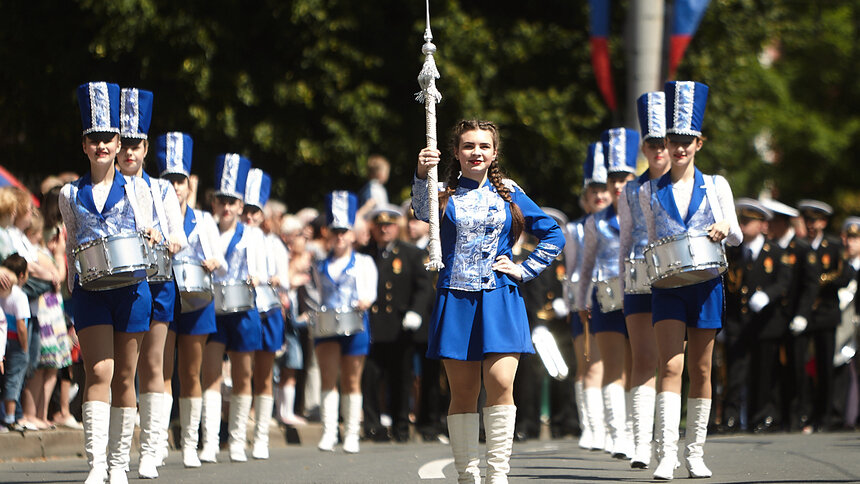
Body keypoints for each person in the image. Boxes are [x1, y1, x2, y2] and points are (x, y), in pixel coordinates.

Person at [414, 119, 565, 483]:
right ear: (455, 152)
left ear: (494, 153)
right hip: (457, 299)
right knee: (463, 393)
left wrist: (523, 269)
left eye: (484, 146)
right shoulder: (443, 194)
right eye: (468, 146)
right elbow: (421, 213)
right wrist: (421, 174)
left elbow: (553, 234)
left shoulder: (511, 193)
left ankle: (498, 475)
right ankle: (468, 475)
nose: (476, 152)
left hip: (501, 297)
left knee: (500, 384)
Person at [639, 81, 741, 480]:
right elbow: (649, 239)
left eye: (688, 140)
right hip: (667, 286)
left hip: (706, 283)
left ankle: (695, 451)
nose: (680, 147)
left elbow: (737, 234)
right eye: (674, 139)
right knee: (670, 367)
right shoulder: (649, 190)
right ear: (665, 141)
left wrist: (724, 227)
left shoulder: (716, 185)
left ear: (699, 142)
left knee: (701, 369)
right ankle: (666, 453)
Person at [59, 82, 159, 484]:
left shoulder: (139, 189)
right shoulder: (68, 194)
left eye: (108, 139)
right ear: (84, 145)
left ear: (120, 144)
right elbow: (69, 242)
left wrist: (153, 235)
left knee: (124, 375)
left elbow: (151, 228)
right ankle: (96, 464)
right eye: (94, 139)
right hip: (90, 292)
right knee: (97, 371)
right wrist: (70, 289)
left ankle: (119, 463)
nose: (101, 145)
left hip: (132, 289)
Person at [116, 87, 187, 479]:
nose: (129, 152)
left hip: (158, 280)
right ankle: (121, 448)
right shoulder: (109, 187)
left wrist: (172, 240)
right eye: (123, 143)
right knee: (122, 368)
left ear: (146, 148)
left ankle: (152, 446)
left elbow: (177, 234)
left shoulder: (161, 189)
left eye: (136, 144)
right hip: (120, 282)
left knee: (154, 364)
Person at [155, 132, 225, 468]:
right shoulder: (154, 217)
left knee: (191, 372)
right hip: (165, 294)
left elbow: (218, 259)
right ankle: (156, 442)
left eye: (179, 180)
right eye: (168, 179)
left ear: (188, 184)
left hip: (197, 298)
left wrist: (212, 261)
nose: (174, 186)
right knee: (161, 369)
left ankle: (189, 443)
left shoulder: (205, 219)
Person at [199, 154, 266, 463]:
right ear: (215, 203)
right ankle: (210, 442)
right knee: (209, 373)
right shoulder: (206, 229)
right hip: (213, 308)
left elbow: (260, 270)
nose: (226, 207)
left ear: (241, 207)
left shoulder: (253, 234)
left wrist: (256, 277)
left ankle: (238, 440)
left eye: (232, 202)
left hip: (243, 309)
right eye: (222, 201)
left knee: (243, 374)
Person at [577, 127, 639, 461]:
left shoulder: (645, 211)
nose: (616, 186)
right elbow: (585, 266)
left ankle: (639, 430)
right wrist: (581, 299)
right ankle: (619, 434)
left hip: (642, 294)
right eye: (611, 179)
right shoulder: (595, 222)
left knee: (641, 365)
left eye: (623, 177)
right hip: (606, 298)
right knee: (613, 367)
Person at [617, 91, 670, 468]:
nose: (658, 150)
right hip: (638, 273)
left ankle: (668, 442)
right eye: (651, 144)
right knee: (642, 357)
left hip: (675, 274)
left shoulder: (682, 183)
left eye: (664, 143)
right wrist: (622, 278)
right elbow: (625, 235)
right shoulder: (631, 188)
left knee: (671, 360)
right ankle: (641, 442)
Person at [309, 191, 377, 453]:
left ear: (352, 234)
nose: (339, 236)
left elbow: (370, 292)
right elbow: (314, 293)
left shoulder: (364, 261)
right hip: (327, 325)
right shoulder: (318, 264)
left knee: (351, 379)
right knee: (328, 378)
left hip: (355, 323)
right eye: (335, 231)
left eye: (344, 231)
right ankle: (328, 431)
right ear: (328, 233)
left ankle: (351, 432)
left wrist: (365, 301)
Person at [360, 204, 433, 442]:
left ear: (396, 227)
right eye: (380, 226)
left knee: (401, 378)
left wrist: (416, 312)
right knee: (370, 378)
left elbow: (423, 288)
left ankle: (402, 426)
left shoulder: (410, 253)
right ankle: (373, 426)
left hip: (400, 327)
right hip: (372, 326)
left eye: (389, 225)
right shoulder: (365, 253)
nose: (384, 230)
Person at [723, 199, 790, 434]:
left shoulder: (776, 252)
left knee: (764, 372)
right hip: (738, 323)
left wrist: (767, 296)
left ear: (762, 225)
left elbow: (784, 281)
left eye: (748, 222)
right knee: (735, 372)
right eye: (741, 221)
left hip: (765, 324)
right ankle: (730, 418)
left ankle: (761, 416)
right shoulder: (732, 252)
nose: (742, 226)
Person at [758, 199, 818, 432]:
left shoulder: (801, 249)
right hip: (775, 319)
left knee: (797, 367)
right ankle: (777, 415)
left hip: (796, 319)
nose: (768, 227)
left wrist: (803, 314)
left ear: (782, 223)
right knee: (774, 369)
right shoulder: (772, 248)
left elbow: (810, 285)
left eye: (771, 222)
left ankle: (801, 414)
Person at [796, 200, 855, 431]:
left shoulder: (832, 246)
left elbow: (844, 276)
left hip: (826, 313)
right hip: (804, 314)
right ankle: (803, 413)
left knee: (825, 366)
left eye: (815, 220)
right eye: (808, 220)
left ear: (823, 222)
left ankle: (825, 416)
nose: (811, 225)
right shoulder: (799, 246)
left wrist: (822, 281)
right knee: (801, 366)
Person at [568, 146, 610, 452]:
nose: (599, 196)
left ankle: (613, 426)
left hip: (617, 299)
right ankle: (591, 426)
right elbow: (571, 270)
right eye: (593, 191)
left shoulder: (622, 224)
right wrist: (577, 301)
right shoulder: (575, 230)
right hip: (585, 303)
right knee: (588, 365)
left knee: (618, 365)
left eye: (604, 190)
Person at [242, 168, 286, 459]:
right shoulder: (233, 237)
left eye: (255, 212)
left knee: (264, 374)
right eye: (246, 211)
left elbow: (284, 278)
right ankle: (239, 436)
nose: (249, 217)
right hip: (243, 310)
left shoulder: (273, 243)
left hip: (267, 310)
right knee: (242, 373)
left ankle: (261, 437)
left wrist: (270, 278)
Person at [1, 256, 29, 432]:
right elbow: (21, 326)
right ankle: (10, 418)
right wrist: (25, 347)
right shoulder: (19, 295)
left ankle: (10, 415)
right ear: (22, 275)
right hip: (15, 341)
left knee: (5, 379)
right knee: (14, 378)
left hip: (3, 340)